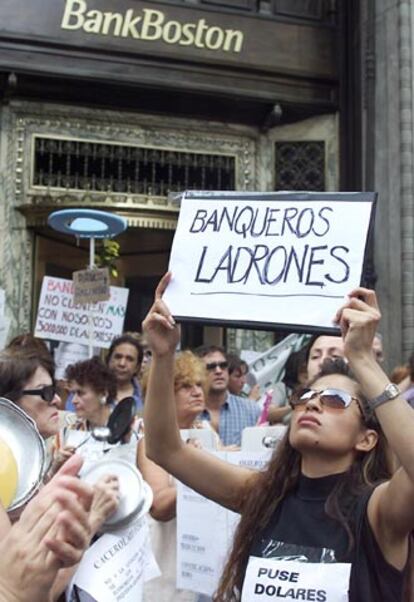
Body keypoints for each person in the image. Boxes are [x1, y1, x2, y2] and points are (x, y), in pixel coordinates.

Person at [142, 273, 414, 601]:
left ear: (367, 439)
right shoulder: (264, 494)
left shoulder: (378, 510)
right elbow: (164, 448)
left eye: (334, 399)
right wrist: (162, 354)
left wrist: (363, 360)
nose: (313, 402)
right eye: (305, 396)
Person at [138, 350, 213, 602]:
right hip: (167, 571)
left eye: (199, 384)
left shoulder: (209, 436)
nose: (197, 392)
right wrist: (198, 467)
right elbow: (159, 506)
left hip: (206, 569)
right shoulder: (151, 442)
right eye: (185, 386)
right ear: (164, 394)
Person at [194, 345, 261, 446]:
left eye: (223, 365)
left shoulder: (251, 410)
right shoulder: (188, 411)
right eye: (211, 367)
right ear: (197, 373)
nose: (218, 371)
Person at [106, 332, 144, 411]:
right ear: (108, 360)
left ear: (137, 367)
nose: (122, 364)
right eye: (118, 357)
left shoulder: (146, 397)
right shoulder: (90, 392)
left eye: (129, 359)